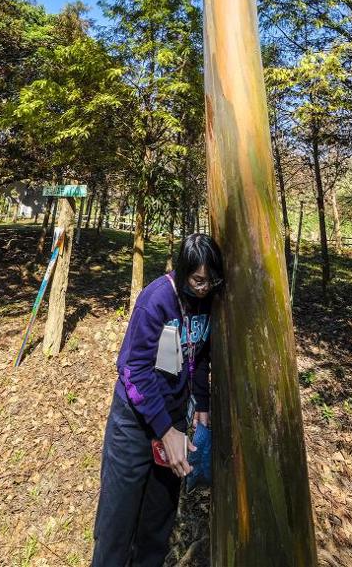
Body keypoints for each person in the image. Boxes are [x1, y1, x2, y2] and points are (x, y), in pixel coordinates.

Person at [91, 232, 224, 567]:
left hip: (174, 419)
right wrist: (165, 430)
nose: (204, 288)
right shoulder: (156, 299)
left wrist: (202, 403)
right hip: (135, 422)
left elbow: (200, 352)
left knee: (158, 522)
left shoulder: (208, 300)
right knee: (117, 524)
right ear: (182, 271)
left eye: (211, 281)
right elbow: (133, 369)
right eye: (197, 280)